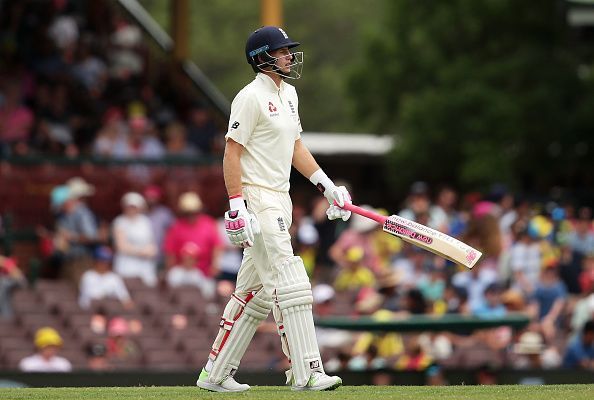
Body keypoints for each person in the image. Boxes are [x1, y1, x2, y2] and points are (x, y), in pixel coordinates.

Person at [196, 26, 349, 392]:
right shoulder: (249, 97)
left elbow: (296, 147)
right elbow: (231, 152)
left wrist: (327, 187)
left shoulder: (290, 94)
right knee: (290, 280)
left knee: (256, 293)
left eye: (288, 51)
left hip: (281, 197)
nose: (288, 57)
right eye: (281, 51)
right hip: (258, 198)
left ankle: (214, 375)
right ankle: (306, 372)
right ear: (262, 57)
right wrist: (237, 206)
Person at [112, 192, 158, 286]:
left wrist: (152, 251)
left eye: (134, 207)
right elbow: (121, 246)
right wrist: (141, 251)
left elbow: (152, 244)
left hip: (145, 266)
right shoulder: (119, 222)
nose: (131, 209)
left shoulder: (145, 221)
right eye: (129, 207)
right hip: (126, 266)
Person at [78, 245, 134, 309]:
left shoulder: (114, 278)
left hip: (112, 311)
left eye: (106, 261)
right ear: (95, 261)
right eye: (101, 260)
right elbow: (85, 301)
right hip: (92, 311)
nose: (104, 264)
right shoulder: (88, 276)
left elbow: (126, 299)